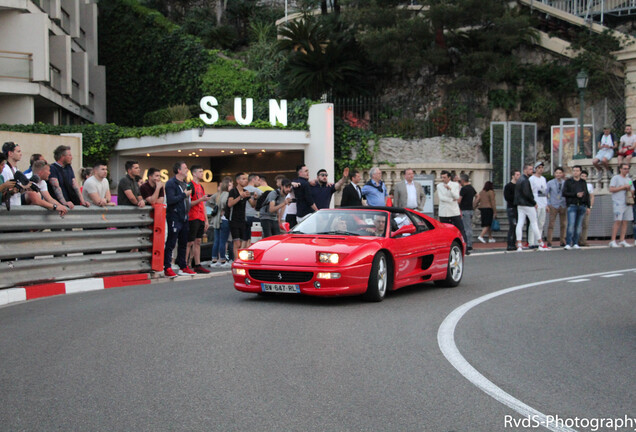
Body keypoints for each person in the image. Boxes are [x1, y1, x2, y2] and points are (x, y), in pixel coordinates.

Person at [164, 161, 195, 278]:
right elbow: (171, 200)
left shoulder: (185, 183)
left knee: (183, 243)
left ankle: (183, 266)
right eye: (185, 168)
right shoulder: (171, 183)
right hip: (174, 216)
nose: (187, 170)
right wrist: (184, 195)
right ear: (179, 170)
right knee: (171, 242)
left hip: (185, 217)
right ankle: (167, 266)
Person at [514, 164, 548, 251]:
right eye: (530, 169)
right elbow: (527, 194)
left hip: (520, 204)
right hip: (528, 204)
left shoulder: (519, 180)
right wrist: (534, 202)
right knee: (534, 223)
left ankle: (519, 244)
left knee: (520, 223)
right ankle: (540, 243)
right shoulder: (525, 180)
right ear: (525, 170)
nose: (531, 171)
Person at [186, 165, 211, 274]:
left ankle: (197, 264)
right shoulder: (190, 185)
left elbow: (203, 204)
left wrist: (206, 220)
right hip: (193, 216)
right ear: (194, 173)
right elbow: (188, 203)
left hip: (200, 216)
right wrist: (201, 199)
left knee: (198, 241)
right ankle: (185, 264)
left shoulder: (200, 186)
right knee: (189, 242)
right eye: (200, 171)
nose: (202, 173)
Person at [227, 172, 256, 262]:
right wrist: (240, 197)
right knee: (237, 242)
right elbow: (230, 204)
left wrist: (255, 198)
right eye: (243, 179)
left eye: (246, 179)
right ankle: (236, 261)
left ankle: (241, 259)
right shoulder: (233, 191)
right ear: (238, 181)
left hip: (243, 219)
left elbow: (252, 205)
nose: (245, 181)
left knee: (244, 241)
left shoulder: (245, 191)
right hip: (234, 219)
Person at [48, 145, 89, 209]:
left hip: (73, 202)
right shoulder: (52, 168)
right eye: (69, 155)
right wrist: (64, 202)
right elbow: (56, 187)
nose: (71, 157)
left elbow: (75, 184)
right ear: (62, 156)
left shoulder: (68, 167)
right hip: (59, 205)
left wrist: (82, 201)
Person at [562, 165, 591, 250]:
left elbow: (587, 194)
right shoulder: (568, 182)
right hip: (572, 205)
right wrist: (575, 195)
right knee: (571, 224)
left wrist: (588, 206)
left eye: (577, 171)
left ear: (580, 172)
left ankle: (575, 242)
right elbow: (564, 193)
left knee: (578, 226)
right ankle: (568, 242)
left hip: (582, 205)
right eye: (574, 171)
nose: (575, 172)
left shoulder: (583, 182)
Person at [608, 163, 635, 247]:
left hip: (627, 202)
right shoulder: (615, 178)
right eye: (624, 168)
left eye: (627, 169)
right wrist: (623, 187)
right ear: (620, 169)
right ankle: (613, 240)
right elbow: (611, 189)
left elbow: (632, 189)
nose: (626, 170)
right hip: (618, 202)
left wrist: (630, 190)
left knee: (625, 221)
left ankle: (622, 239)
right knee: (618, 221)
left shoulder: (629, 179)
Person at [436, 170, 466, 240]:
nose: (443, 179)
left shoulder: (455, 185)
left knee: (460, 228)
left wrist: (450, 189)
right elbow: (441, 198)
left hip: (454, 211)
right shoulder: (439, 186)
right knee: (444, 230)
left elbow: (456, 196)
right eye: (442, 177)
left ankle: (465, 245)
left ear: (449, 177)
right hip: (444, 212)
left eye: (445, 177)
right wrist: (451, 200)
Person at [210, 176, 232, 267]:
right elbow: (224, 203)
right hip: (224, 219)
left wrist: (215, 207)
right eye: (230, 184)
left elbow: (209, 201)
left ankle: (214, 258)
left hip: (217, 219)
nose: (232, 186)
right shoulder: (226, 194)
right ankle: (222, 259)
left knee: (217, 240)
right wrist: (223, 209)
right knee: (223, 240)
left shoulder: (218, 194)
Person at [545, 166, 567, 247]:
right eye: (557, 173)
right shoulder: (550, 183)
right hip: (553, 204)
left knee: (563, 224)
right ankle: (549, 241)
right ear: (554, 174)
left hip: (563, 204)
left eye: (560, 173)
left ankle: (562, 240)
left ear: (562, 174)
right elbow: (545, 193)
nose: (558, 174)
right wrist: (548, 203)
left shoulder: (565, 182)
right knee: (551, 224)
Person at [528, 161, 548, 248]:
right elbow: (530, 192)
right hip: (535, 203)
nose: (540, 170)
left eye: (541, 168)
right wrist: (533, 202)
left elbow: (544, 192)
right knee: (534, 223)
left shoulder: (543, 179)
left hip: (543, 203)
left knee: (541, 223)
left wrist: (546, 204)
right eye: (539, 168)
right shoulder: (531, 179)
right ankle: (531, 241)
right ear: (535, 169)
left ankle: (538, 240)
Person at [2, 141, 24, 208]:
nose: (21, 154)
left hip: (16, 207)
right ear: (10, 153)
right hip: (7, 209)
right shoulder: (5, 169)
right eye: (18, 151)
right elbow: (5, 190)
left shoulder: (17, 170)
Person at [458, 174, 477, 253]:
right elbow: (478, 196)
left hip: (464, 209)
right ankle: (469, 243)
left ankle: (468, 244)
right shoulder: (471, 188)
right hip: (470, 209)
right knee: (468, 226)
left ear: (463, 180)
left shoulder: (464, 189)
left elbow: (459, 200)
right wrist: (474, 204)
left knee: (466, 227)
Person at [503, 170, 521, 251]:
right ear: (513, 176)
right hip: (511, 208)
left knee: (517, 225)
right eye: (517, 175)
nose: (519, 176)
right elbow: (507, 197)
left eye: (519, 175)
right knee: (513, 225)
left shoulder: (519, 186)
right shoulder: (508, 186)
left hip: (519, 208)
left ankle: (514, 242)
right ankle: (510, 243)